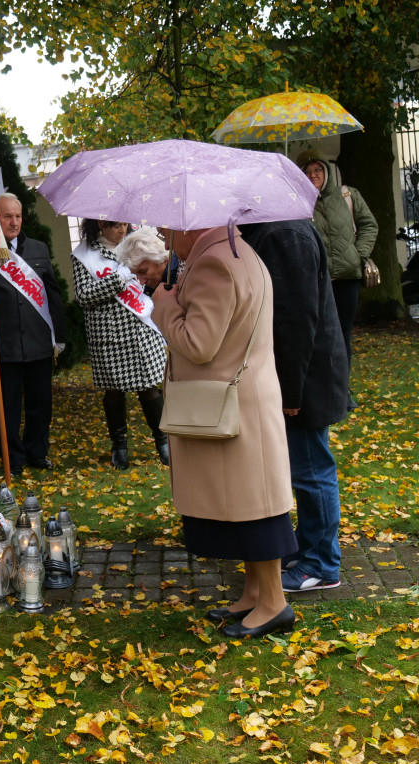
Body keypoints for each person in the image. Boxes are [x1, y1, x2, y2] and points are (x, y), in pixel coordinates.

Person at [152, 225, 297, 638]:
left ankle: (273, 604)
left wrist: (163, 305)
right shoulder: (237, 253)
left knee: (257, 510)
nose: (165, 234)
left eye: (168, 227)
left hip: (233, 406)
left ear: (191, 223)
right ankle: (255, 594)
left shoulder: (214, 262)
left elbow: (198, 343)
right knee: (247, 504)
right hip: (244, 400)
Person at [240, 220, 349, 593]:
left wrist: (291, 393)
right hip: (302, 374)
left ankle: (321, 563)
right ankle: (310, 549)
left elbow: (296, 319)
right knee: (306, 468)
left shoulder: (285, 234)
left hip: (307, 376)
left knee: (311, 470)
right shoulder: (277, 230)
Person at [0, 193, 66, 473]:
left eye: (18, 216)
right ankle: (13, 458)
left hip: (38, 342)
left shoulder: (38, 248)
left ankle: (37, 452)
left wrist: (58, 335)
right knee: (6, 408)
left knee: (40, 404)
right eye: (7, 216)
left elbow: (52, 293)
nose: (14, 222)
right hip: (3, 345)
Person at [71, 219, 168, 469]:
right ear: (98, 226)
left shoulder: (139, 242)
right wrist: (119, 279)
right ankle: (119, 445)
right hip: (108, 334)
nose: (121, 230)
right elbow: (84, 296)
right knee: (114, 392)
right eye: (114, 225)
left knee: (149, 387)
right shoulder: (84, 255)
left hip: (141, 327)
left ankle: (164, 441)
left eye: (124, 224)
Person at [298, 152, 378, 409]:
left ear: (327, 171)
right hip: (316, 280)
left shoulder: (348, 196)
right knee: (317, 335)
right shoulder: (298, 202)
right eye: (308, 172)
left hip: (345, 279)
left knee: (342, 335)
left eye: (317, 170)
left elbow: (369, 224)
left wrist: (359, 255)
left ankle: (342, 390)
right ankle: (323, 388)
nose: (313, 176)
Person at [114, 226, 180, 295]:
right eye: (136, 275)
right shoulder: (156, 286)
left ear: (162, 258)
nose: (141, 282)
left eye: (143, 271)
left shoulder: (182, 280)